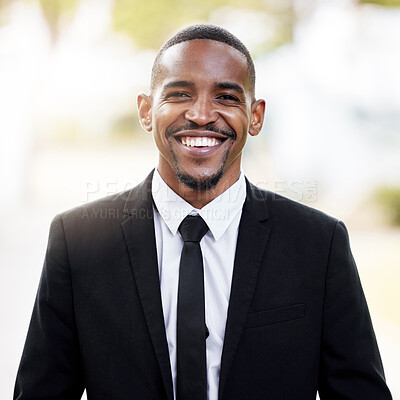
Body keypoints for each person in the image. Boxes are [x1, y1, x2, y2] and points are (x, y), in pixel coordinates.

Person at [14, 24, 392, 400]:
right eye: (179, 94)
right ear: (146, 111)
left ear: (255, 116)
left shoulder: (318, 245)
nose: (201, 115)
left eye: (226, 97)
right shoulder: (77, 241)